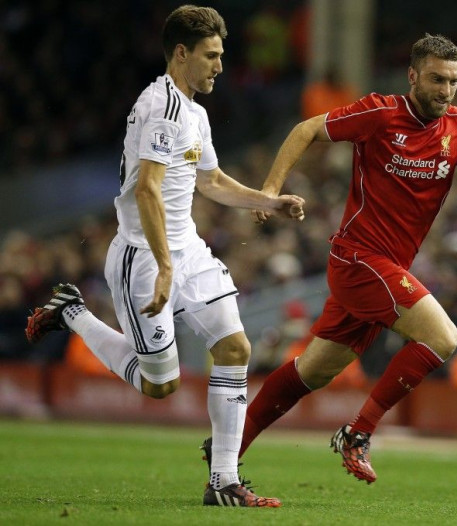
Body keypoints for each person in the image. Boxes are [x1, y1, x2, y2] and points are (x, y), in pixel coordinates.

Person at [25, 5, 305, 508]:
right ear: (182, 53)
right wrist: (165, 265)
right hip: (142, 257)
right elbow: (148, 192)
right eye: (211, 55)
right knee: (161, 386)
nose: (220, 66)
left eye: (221, 54)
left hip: (188, 251)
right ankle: (72, 312)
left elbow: (211, 181)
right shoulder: (163, 108)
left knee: (235, 348)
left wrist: (269, 201)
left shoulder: (194, 112)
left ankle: (223, 481)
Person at [203, 33, 457, 484]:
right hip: (359, 258)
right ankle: (358, 433)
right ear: (413, 75)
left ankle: (227, 447)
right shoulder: (381, 112)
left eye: (453, 81)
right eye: (437, 79)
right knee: (443, 337)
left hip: (386, 270)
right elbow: (304, 129)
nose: (445, 90)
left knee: (313, 372)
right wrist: (268, 190)